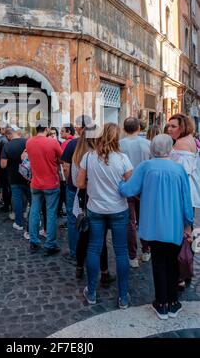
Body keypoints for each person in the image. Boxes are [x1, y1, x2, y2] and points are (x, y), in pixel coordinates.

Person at [119, 134, 193, 320]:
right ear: (170, 149)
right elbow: (186, 200)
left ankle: (161, 303)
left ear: (153, 149)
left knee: (158, 262)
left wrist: (120, 183)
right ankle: (173, 302)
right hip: (174, 225)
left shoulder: (146, 167)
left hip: (153, 225)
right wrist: (188, 224)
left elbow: (129, 189)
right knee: (172, 262)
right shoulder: (179, 169)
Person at [77, 123, 133, 308]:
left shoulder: (88, 157)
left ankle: (91, 292)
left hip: (96, 209)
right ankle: (123, 296)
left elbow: (80, 184)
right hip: (118, 210)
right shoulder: (123, 158)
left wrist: (94, 182)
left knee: (93, 249)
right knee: (121, 251)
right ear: (116, 138)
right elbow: (130, 187)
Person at [71, 130, 116, 287]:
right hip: (94, 201)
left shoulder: (78, 156)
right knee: (99, 238)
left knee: (83, 236)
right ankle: (104, 272)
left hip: (82, 201)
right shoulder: (95, 157)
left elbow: (75, 181)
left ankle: (79, 266)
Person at [168, 113, 200, 289]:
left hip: (182, 196)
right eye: (169, 126)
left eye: (174, 126)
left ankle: (180, 274)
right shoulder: (191, 140)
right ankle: (186, 270)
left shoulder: (181, 144)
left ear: (183, 126)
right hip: (191, 195)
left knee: (182, 233)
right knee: (188, 233)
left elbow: (182, 176)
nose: (170, 129)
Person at [26, 120, 62, 255]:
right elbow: (62, 158)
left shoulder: (29, 142)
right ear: (47, 128)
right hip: (51, 183)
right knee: (51, 213)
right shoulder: (52, 142)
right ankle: (50, 244)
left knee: (34, 212)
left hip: (35, 183)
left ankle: (34, 242)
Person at [120, 117, 151, 267]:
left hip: (127, 187)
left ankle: (132, 257)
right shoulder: (148, 144)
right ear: (139, 128)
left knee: (130, 223)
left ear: (124, 129)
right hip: (144, 188)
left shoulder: (119, 145)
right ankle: (146, 251)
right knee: (144, 219)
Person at [61, 115, 92, 263]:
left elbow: (66, 167)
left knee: (73, 219)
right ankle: (90, 251)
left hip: (74, 187)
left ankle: (75, 253)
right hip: (92, 189)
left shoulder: (72, 144)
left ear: (79, 128)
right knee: (91, 220)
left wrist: (69, 181)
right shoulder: (96, 144)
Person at [1, 126, 31, 237]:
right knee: (32, 200)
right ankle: (35, 221)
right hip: (28, 177)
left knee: (17, 200)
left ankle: (19, 223)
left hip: (14, 177)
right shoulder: (27, 142)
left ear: (9, 135)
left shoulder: (7, 145)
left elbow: (3, 165)